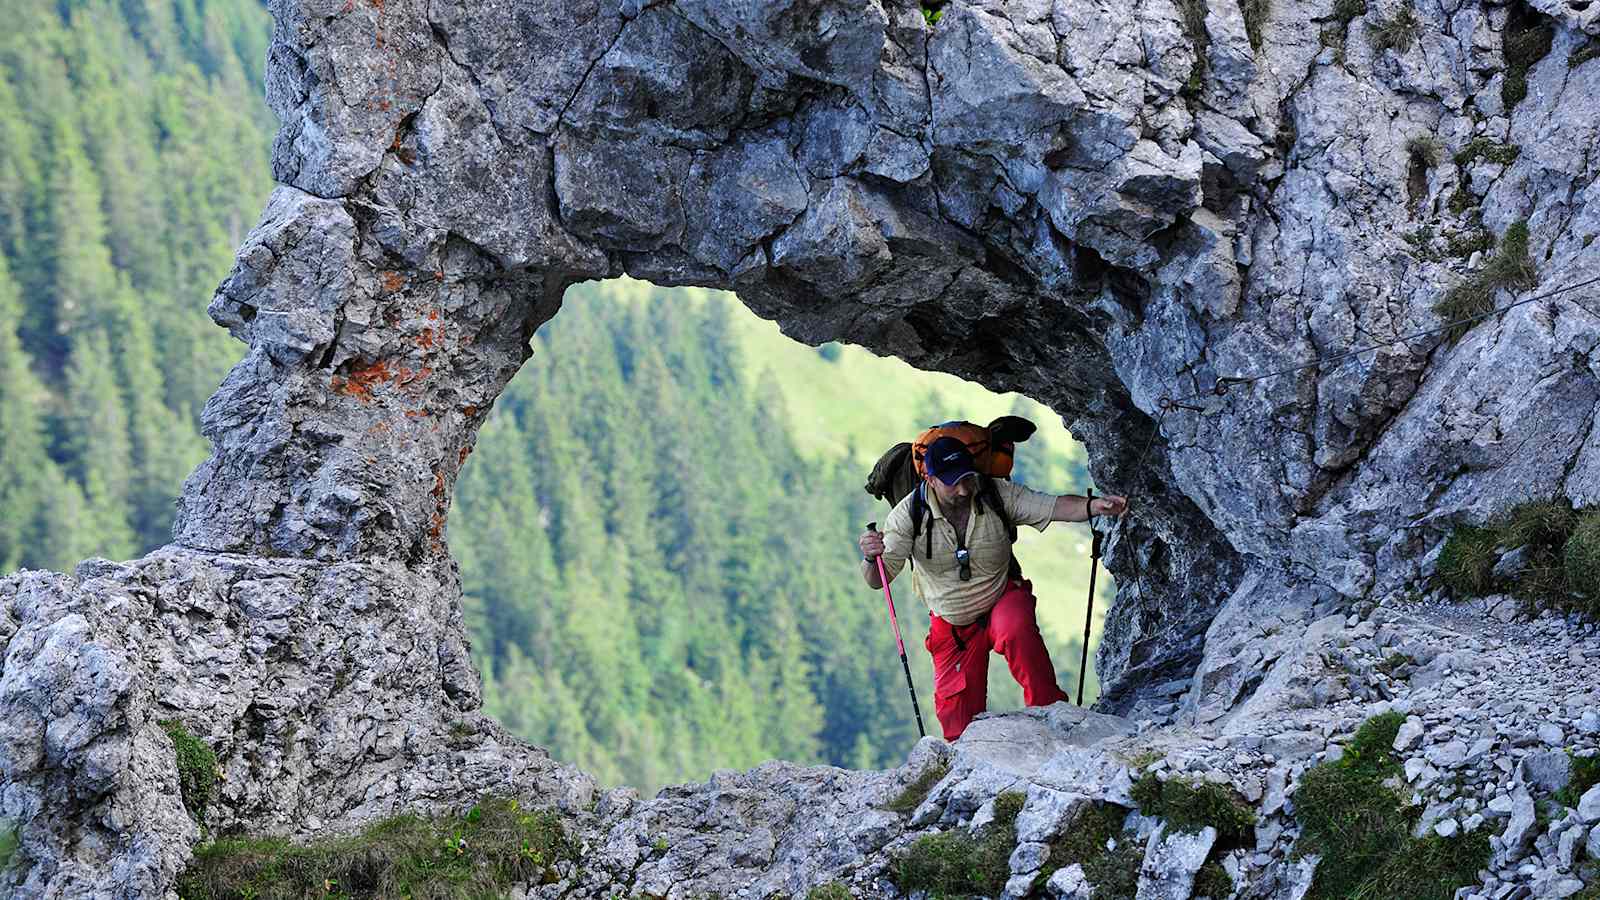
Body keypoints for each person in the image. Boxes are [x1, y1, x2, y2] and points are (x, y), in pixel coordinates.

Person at [858, 435, 1128, 741]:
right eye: (951, 482)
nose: (962, 489)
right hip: (952, 624)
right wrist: (870, 557)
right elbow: (878, 579)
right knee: (956, 727)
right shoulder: (907, 517)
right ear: (930, 480)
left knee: (1016, 629)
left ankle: (1055, 717)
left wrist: (1096, 506)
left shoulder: (995, 493)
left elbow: (1051, 506)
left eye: (966, 478)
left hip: (1001, 598)